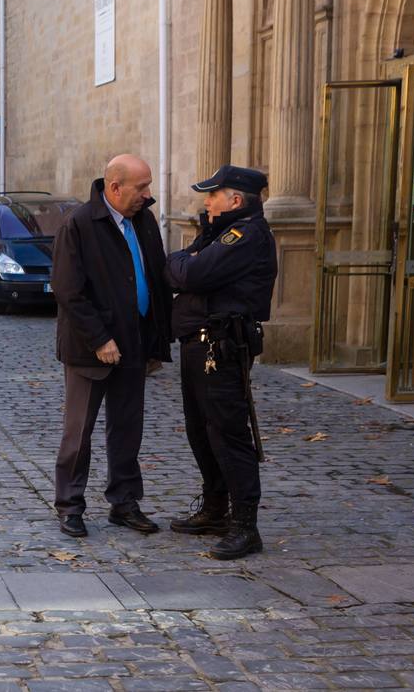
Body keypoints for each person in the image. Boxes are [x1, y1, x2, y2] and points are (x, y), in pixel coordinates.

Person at [50, 154, 172, 538]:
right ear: (115, 187)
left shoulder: (145, 220)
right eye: (142, 187)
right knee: (78, 431)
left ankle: (124, 502)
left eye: (149, 186)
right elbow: (68, 290)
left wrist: (157, 340)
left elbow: (155, 276)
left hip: (135, 344)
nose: (148, 195)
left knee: (127, 429)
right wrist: (100, 338)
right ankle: (70, 505)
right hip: (91, 349)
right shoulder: (80, 224)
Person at [165, 165, 277, 561]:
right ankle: (215, 508)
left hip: (222, 347)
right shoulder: (219, 233)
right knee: (201, 431)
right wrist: (186, 259)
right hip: (199, 344)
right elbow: (185, 266)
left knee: (228, 434)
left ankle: (245, 526)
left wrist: (181, 264)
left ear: (236, 200)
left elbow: (188, 271)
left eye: (214, 195)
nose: (207, 202)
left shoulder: (244, 235)